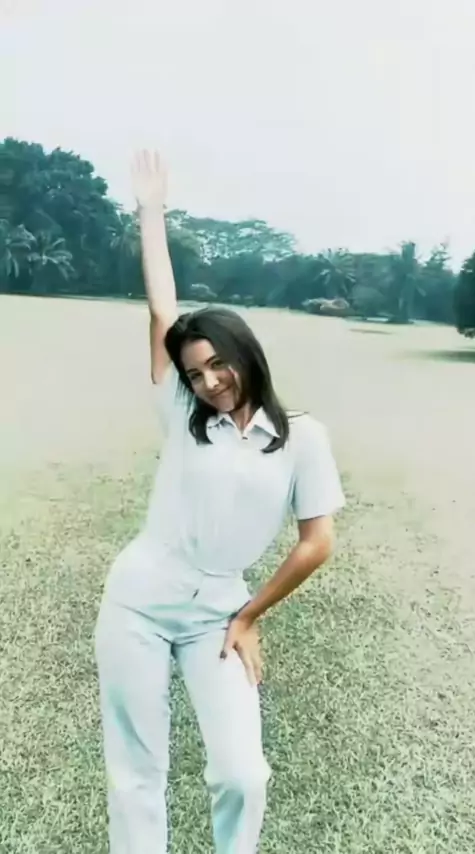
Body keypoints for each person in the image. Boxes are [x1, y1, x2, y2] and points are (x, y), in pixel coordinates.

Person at [94, 150, 346, 854]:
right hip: (138, 602)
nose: (208, 381)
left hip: (218, 615)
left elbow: (317, 542)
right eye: (194, 372)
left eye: (217, 363)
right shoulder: (183, 415)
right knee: (137, 772)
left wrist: (250, 614)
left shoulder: (302, 439)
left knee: (243, 773)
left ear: (247, 354)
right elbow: (162, 311)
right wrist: (151, 214)